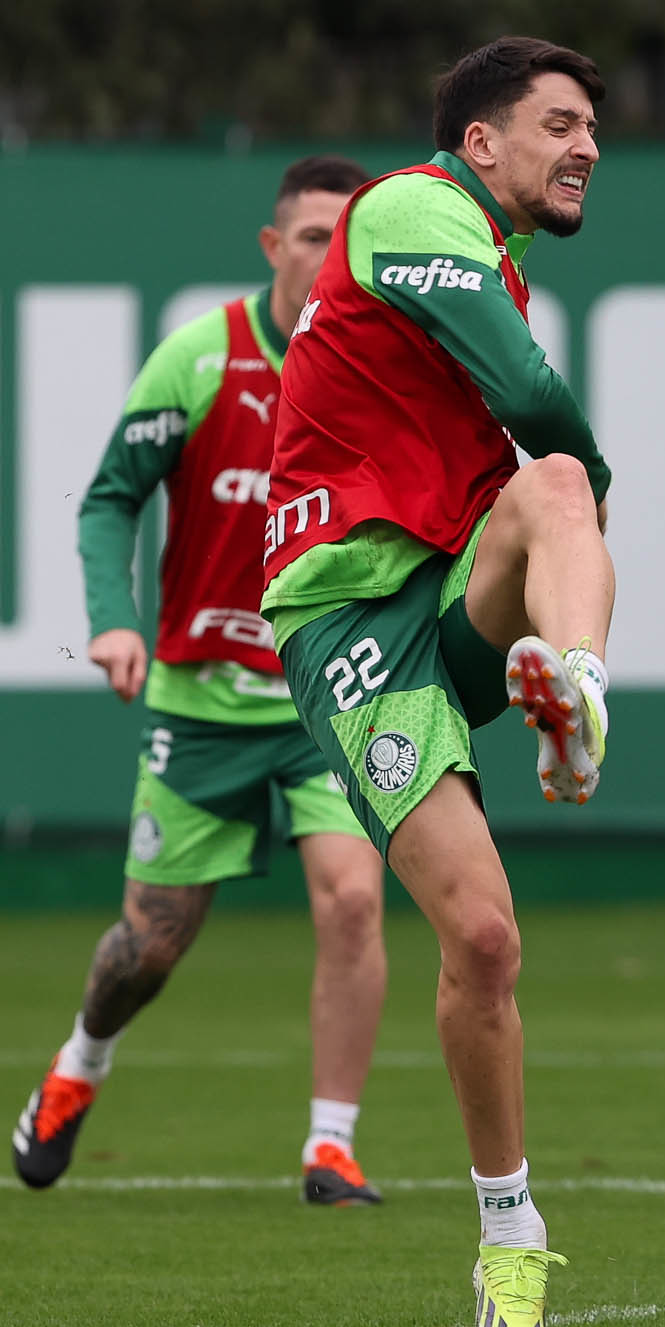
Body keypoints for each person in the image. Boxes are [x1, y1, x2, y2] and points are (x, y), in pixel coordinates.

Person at [259, 37, 613, 1327]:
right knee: (485, 938)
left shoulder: (494, 262)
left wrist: (582, 504)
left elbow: (534, 444)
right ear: (479, 141)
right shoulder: (409, 207)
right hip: (353, 617)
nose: (587, 148)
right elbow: (528, 395)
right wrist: (602, 481)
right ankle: (510, 1239)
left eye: (594, 129)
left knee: (557, 493)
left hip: (456, 584)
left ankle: (572, 698)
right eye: (560, 123)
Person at [12, 156, 389, 1208]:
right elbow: (108, 499)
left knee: (355, 899)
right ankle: (82, 1059)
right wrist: (114, 620)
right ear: (274, 248)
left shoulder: (375, 364)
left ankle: (332, 1145)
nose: (329, 257)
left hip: (328, 694)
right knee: (150, 943)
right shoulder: (201, 355)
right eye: (311, 237)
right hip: (199, 702)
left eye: (346, 240)